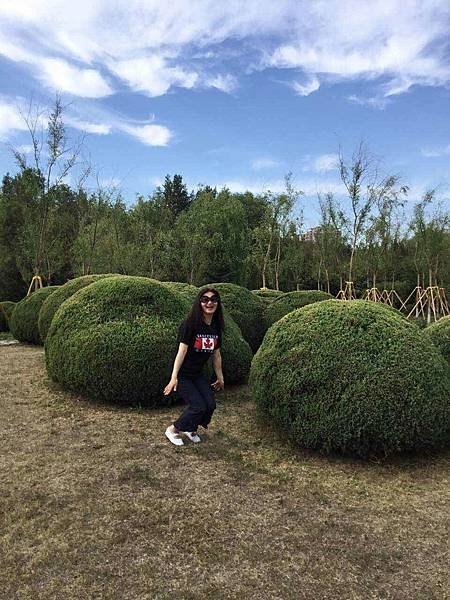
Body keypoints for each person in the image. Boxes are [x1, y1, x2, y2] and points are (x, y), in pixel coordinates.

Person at [164, 287, 225, 445]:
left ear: (218, 303)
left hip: (197, 374)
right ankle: (174, 429)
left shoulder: (216, 327)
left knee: (210, 404)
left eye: (213, 299)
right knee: (198, 406)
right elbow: (181, 352)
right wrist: (174, 378)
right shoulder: (190, 324)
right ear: (199, 303)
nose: (209, 302)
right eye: (205, 299)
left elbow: (216, 355)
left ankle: (190, 428)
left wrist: (220, 377)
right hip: (183, 374)